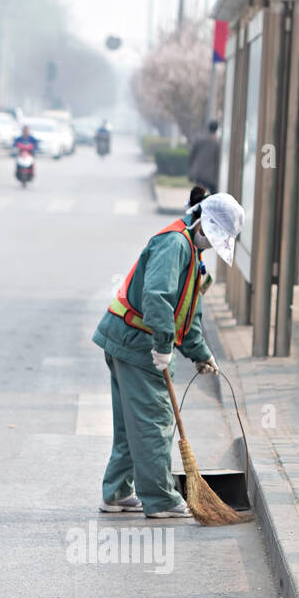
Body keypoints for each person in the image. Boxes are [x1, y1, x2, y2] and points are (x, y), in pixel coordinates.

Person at [93, 191, 244, 519]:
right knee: (153, 424)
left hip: (125, 338)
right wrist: (162, 347)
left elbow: (187, 311)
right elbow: (157, 298)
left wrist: (200, 354)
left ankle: (117, 493)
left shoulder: (190, 250)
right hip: (138, 344)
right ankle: (160, 500)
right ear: (203, 222)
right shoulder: (175, 245)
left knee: (130, 426)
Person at [188, 120, 221, 196]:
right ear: (216, 130)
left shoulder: (200, 140)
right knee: (214, 195)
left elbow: (192, 156)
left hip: (198, 173)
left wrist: (191, 171)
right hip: (209, 176)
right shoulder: (216, 143)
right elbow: (217, 162)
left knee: (199, 194)